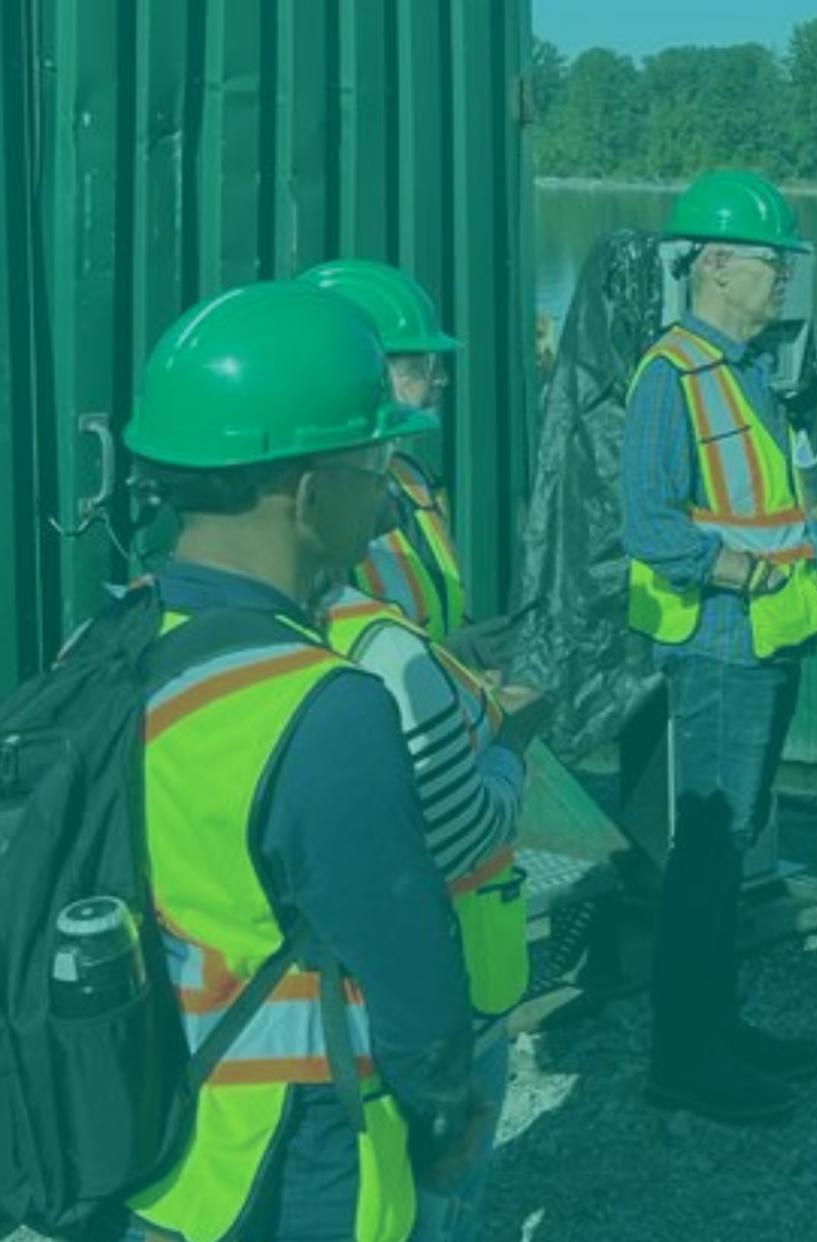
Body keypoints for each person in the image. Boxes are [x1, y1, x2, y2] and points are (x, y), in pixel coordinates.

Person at [117, 283, 481, 1241]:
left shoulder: (112, 645)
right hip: (289, 1166)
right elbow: (412, 984)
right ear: (313, 489)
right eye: (377, 457)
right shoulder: (326, 709)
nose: (388, 481)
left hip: (135, 1145)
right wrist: (448, 1115)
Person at [622, 169, 817, 1123]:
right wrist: (743, 571)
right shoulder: (672, 377)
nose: (784, 277)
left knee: (732, 845)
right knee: (707, 855)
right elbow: (652, 525)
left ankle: (719, 1030)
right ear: (713, 265)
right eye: (770, 259)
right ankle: (686, 1057)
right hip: (718, 648)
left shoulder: (746, 370)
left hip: (762, 643)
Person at [321, 581, 546, 1242]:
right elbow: (460, 831)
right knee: (437, 1191)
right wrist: (513, 747)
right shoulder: (382, 648)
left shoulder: (160, 622)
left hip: (294, 1018)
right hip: (443, 981)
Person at [296, 260, 503, 667]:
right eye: (421, 367)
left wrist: (460, 655)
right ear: (365, 369)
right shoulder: (309, 506)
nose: (438, 381)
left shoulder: (414, 481)